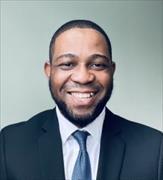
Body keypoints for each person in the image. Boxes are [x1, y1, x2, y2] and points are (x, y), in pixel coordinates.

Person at [0, 19, 162, 180]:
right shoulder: (10, 144)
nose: (83, 77)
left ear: (112, 71)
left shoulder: (154, 149)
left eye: (97, 65)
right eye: (68, 64)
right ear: (49, 71)